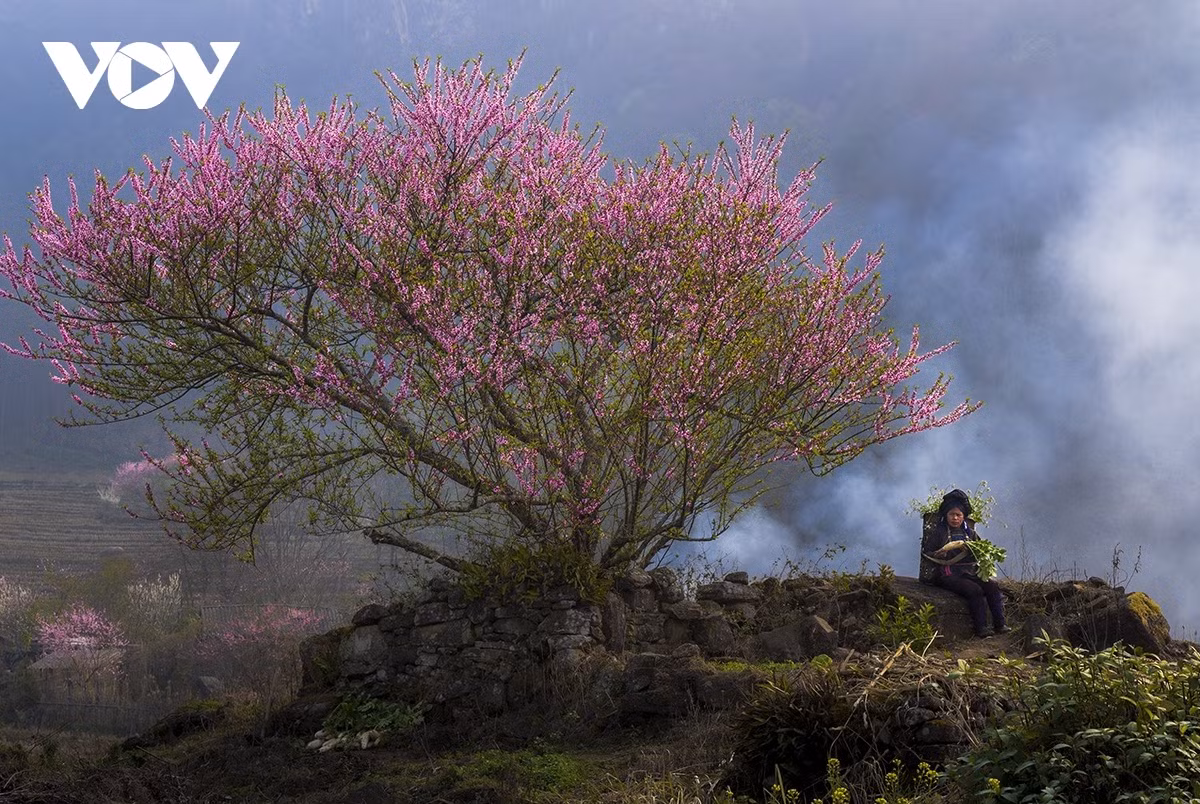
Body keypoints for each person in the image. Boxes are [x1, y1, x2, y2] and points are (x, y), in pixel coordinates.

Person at [919, 488, 1008, 638]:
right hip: (947, 574)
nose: (955, 518)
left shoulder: (970, 533)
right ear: (946, 515)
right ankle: (981, 628)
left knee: (992, 586)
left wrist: (978, 552)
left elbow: (981, 550)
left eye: (958, 515)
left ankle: (1000, 624)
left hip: (969, 572)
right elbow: (926, 553)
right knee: (974, 590)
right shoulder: (939, 532)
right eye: (952, 514)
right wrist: (938, 553)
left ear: (963, 516)